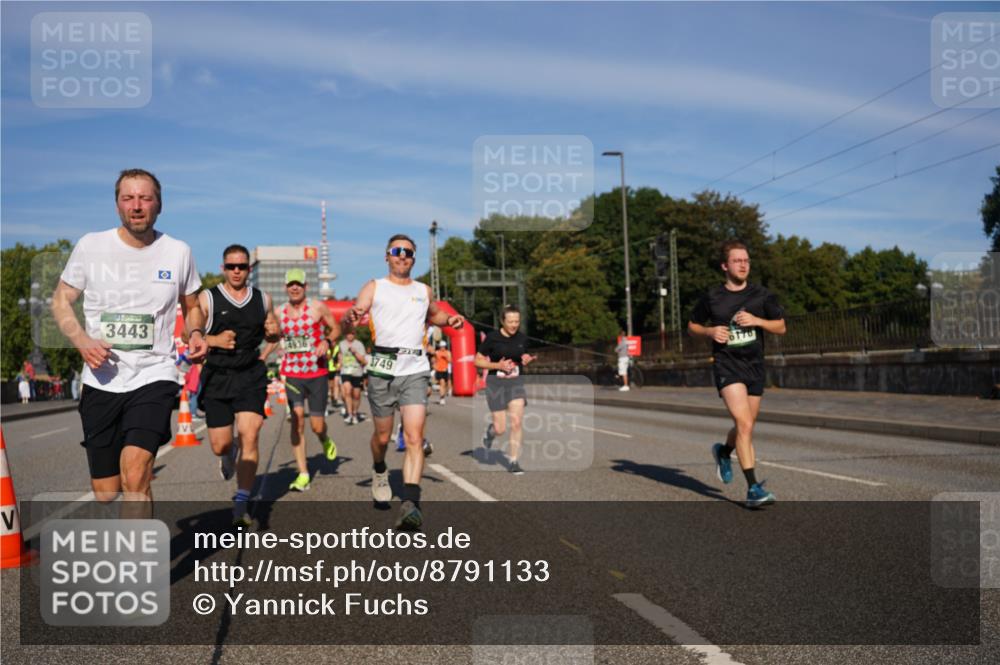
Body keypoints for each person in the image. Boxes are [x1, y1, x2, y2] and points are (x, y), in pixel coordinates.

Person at [50, 168, 207, 510]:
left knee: (136, 472)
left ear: (159, 205)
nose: (137, 206)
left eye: (145, 198)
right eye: (128, 198)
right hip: (102, 378)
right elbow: (61, 300)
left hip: (154, 374)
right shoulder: (91, 246)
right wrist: (81, 340)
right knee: (107, 491)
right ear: (118, 205)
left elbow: (193, 305)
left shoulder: (178, 251)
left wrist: (195, 331)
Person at [347, 234, 464, 530]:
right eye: (397, 251)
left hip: (415, 367)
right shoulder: (375, 286)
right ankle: (379, 469)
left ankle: (410, 504)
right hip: (383, 368)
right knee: (383, 438)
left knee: (414, 438)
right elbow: (358, 307)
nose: (403, 256)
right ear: (387, 255)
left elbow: (436, 315)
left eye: (409, 253)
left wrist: (450, 321)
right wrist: (356, 313)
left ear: (414, 258)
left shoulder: (423, 290)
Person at [688, 240, 786, 509]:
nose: (743, 265)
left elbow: (780, 327)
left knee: (747, 426)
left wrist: (757, 321)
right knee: (743, 424)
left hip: (754, 366)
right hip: (727, 365)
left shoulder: (762, 295)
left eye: (746, 260)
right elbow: (692, 326)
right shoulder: (712, 297)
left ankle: (724, 451)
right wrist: (709, 332)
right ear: (725, 266)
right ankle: (753, 488)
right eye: (737, 260)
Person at [199, 244, 282, 526]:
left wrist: (272, 337)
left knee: (251, 433)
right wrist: (214, 341)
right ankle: (228, 454)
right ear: (223, 268)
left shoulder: (263, 299)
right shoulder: (208, 299)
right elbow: (192, 335)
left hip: (250, 374)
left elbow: (274, 332)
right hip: (218, 374)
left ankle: (242, 502)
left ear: (249, 269)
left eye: (242, 266)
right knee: (220, 445)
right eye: (231, 266)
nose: (237, 271)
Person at [278, 268, 340, 491]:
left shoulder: (317, 307)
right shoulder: (279, 312)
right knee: (297, 420)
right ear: (286, 287)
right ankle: (303, 473)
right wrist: (266, 351)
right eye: (290, 284)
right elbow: (273, 336)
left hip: (317, 374)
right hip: (293, 374)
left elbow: (335, 328)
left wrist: (327, 342)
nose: (294, 287)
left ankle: (325, 439)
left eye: (299, 284)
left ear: (305, 287)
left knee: (316, 425)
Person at [476, 306, 536, 474]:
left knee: (516, 423)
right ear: (502, 321)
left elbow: (525, 356)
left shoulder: (523, 338)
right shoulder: (492, 338)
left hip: (515, 383)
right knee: (500, 429)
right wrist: (497, 365)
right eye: (510, 321)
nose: (514, 325)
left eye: (517, 321)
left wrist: (526, 359)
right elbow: (477, 361)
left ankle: (513, 461)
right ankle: (490, 433)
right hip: (496, 384)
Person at [338, 327, 368, 424]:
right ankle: (350, 414)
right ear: (345, 334)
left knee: (356, 395)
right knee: (347, 391)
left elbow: (364, 361)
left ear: (354, 334)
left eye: (352, 333)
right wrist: (340, 363)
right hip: (345, 371)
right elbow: (340, 355)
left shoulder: (359, 344)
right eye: (348, 333)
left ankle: (355, 414)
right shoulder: (342, 344)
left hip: (357, 372)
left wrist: (355, 352)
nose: (350, 335)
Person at [326, 341, 343, 416]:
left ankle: (335, 398)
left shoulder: (338, 348)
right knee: (330, 386)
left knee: (336, 384)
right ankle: (332, 397)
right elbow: (327, 358)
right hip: (328, 369)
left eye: (334, 342)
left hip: (336, 369)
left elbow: (340, 357)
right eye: (331, 342)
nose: (333, 343)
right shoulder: (326, 348)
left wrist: (339, 365)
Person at [434, 341, 451, 405]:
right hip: (439, 370)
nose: (442, 348)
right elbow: (434, 360)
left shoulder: (448, 353)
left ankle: (442, 396)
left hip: (445, 370)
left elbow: (450, 361)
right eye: (441, 347)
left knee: (444, 385)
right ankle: (442, 398)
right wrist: (434, 366)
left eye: (443, 347)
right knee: (442, 383)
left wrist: (446, 357)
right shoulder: (437, 352)